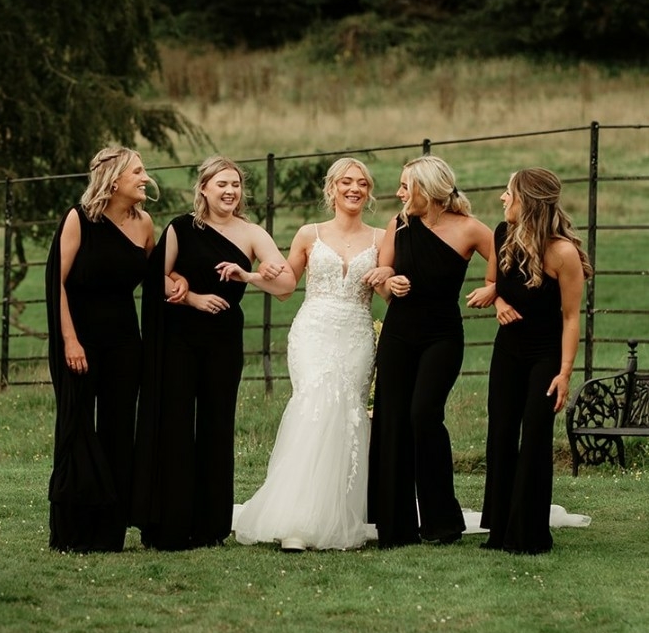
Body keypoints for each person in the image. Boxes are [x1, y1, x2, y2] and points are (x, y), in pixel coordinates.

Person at [131, 155, 295, 551]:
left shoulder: (252, 233)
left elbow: (286, 284)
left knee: (217, 424)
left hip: (223, 338)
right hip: (179, 337)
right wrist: (193, 298)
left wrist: (249, 275)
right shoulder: (180, 228)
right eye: (222, 184)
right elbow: (156, 277)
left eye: (235, 184)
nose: (230, 191)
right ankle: (170, 525)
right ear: (203, 188)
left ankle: (210, 526)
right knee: (176, 424)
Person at [233, 157, 390, 551]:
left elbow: (387, 292)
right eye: (346, 182)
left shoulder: (381, 237)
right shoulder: (309, 233)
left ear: (369, 192)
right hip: (313, 331)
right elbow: (286, 286)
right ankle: (295, 521)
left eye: (362, 184)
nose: (354, 189)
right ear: (332, 188)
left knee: (348, 415)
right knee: (314, 406)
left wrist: (389, 277)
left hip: (356, 333)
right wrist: (252, 276)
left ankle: (335, 516)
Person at [368, 155, 493, 548]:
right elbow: (382, 278)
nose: (399, 193)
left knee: (424, 414)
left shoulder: (470, 229)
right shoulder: (399, 224)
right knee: (392, 420)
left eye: (406, 186)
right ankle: (396, 526)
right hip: (399, 334)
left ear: (427, 188)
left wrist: (494, 288)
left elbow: (507, 259)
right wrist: (390, 282)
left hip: (442, 336)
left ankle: (442, 521)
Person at [466, 167, 591, 554]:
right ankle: (500, 530)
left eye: (509, 192)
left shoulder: (563, 253)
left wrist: (565, 373)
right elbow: (494, 283)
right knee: (501, 434)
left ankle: (530, 535)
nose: (503, 198)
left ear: (528, 201)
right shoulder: (501, 234)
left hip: (545, 355)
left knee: (535, 437)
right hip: (508, 350)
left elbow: (571, 318)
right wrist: (498, 301)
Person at [46, 146, 159, 552]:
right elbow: (56, 282)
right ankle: (72, 529)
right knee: (76, 427)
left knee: (118, 430)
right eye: (137, 172)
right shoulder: (79, 219)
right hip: (79, 339)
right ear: (114, 181)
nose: (145, 178)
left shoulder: (145, 224)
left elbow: (157, 277)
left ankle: (109, 532)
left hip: (125, 343)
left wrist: (181, 283)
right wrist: (70, 340)